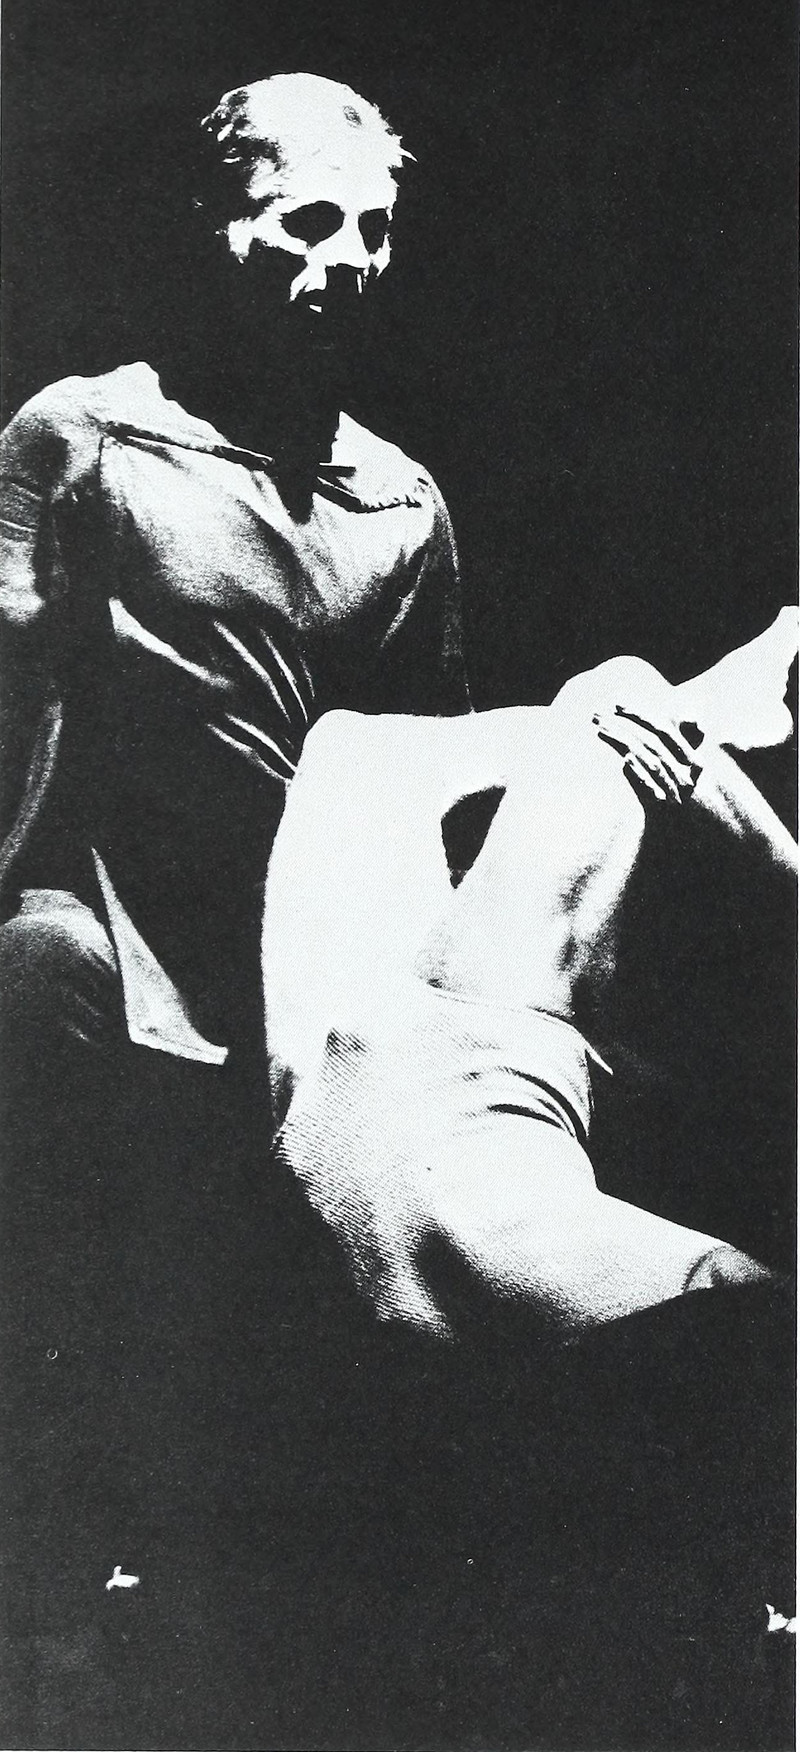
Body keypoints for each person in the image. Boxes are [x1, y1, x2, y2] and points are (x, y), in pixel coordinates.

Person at [263, 607, 797, 1335]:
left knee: (613, 705)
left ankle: (713, 707)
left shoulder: (362, 771)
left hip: (363, 1140)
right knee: (617, 703)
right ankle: (716, 707)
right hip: (428, 1141)